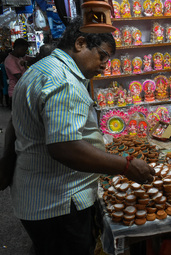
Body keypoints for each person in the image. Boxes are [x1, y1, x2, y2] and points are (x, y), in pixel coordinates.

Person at [0, 17, 155, 255]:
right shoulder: (64, 81)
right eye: (102, 55)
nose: (105, 64)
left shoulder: (40, 69)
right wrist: (126, 165)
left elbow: (14, 123)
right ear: (81, 43)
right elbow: (64, 148)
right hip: (59, 203)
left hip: (35, 195)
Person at [4, 38, 29, 109]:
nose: (25, 52)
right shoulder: (10, 60)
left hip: (21, 91)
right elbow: (20, 78)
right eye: (23, 50)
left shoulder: (20, 57)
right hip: (15, 92)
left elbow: (31, 59)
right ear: (17, 48)